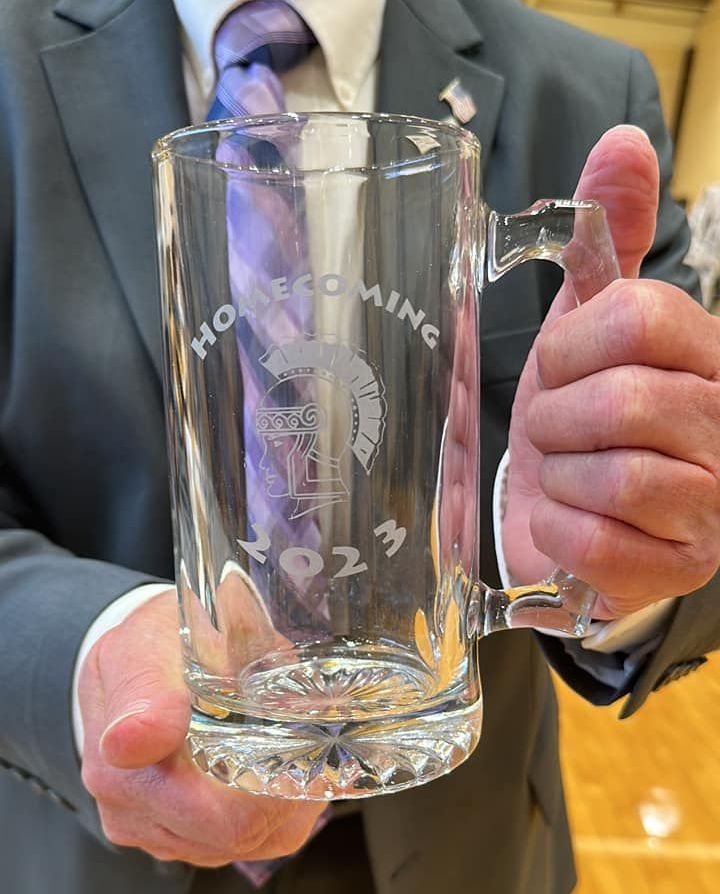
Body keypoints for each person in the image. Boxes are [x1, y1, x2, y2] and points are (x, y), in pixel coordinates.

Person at [1, 0, 718, 892]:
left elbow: (695, 457)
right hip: (100, 856)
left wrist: (611, 535)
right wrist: (86, 648)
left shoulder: (588, 87)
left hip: (465, 837)